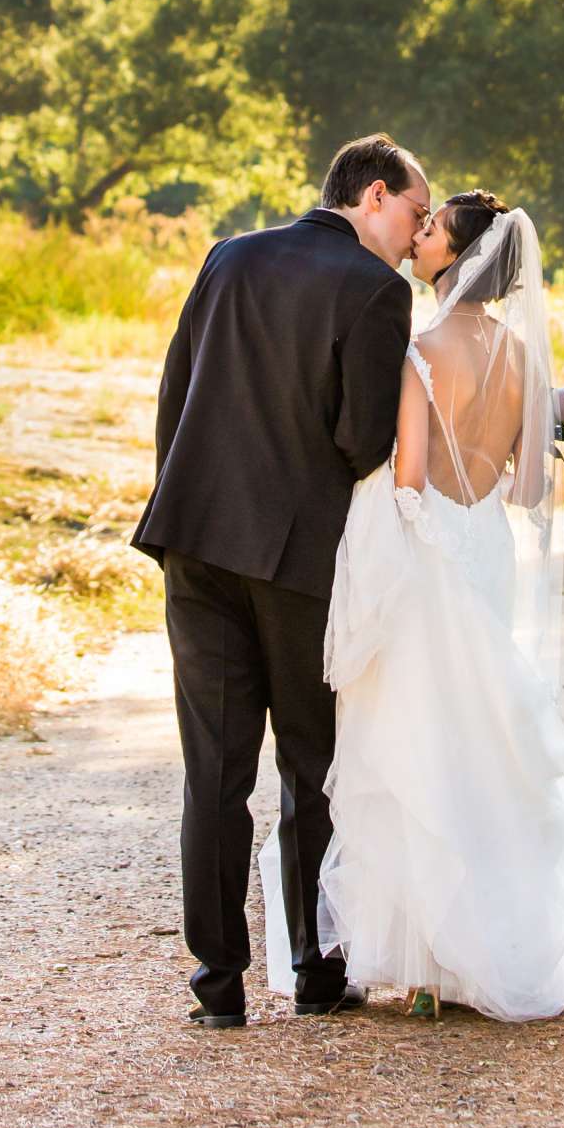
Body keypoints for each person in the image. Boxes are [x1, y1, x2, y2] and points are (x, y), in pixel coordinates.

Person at [259, 190, 564, 1021]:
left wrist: (392, 552)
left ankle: (426, 964)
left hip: (430, 547)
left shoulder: (421, 350)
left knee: (414, 742)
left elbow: (406, 482)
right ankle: (487, 947)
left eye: (435, 230)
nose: (422, 238)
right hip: (485, 545)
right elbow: (528, 485)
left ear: (461, 254)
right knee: (480, 738)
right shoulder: (523, 358)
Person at [133, 133, 431, 1029]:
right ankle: (313, 969)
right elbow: (360, 442)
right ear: (373, 196)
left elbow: (175, 393)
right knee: (312, 767)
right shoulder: (376, 292)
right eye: (416, 215)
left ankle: (217, 985)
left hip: (196, 542)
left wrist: (187, 501)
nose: (419, 239)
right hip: (300, 560)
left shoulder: (229, 256)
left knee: (215, 774)